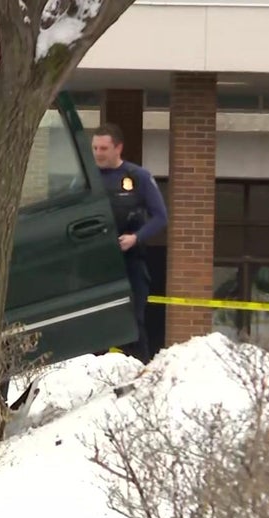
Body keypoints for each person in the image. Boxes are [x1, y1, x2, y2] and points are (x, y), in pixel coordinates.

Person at [91, 122, 168, 363]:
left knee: (132, 323)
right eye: (94, 148)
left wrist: (136, 238)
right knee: (96, 326)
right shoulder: (87, 179)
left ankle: (139, 378)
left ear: (118, 148)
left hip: (130, 261)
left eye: (104, 148)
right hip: (97, 263)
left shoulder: (138, 177)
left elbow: (160, 217)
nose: (98, 153)